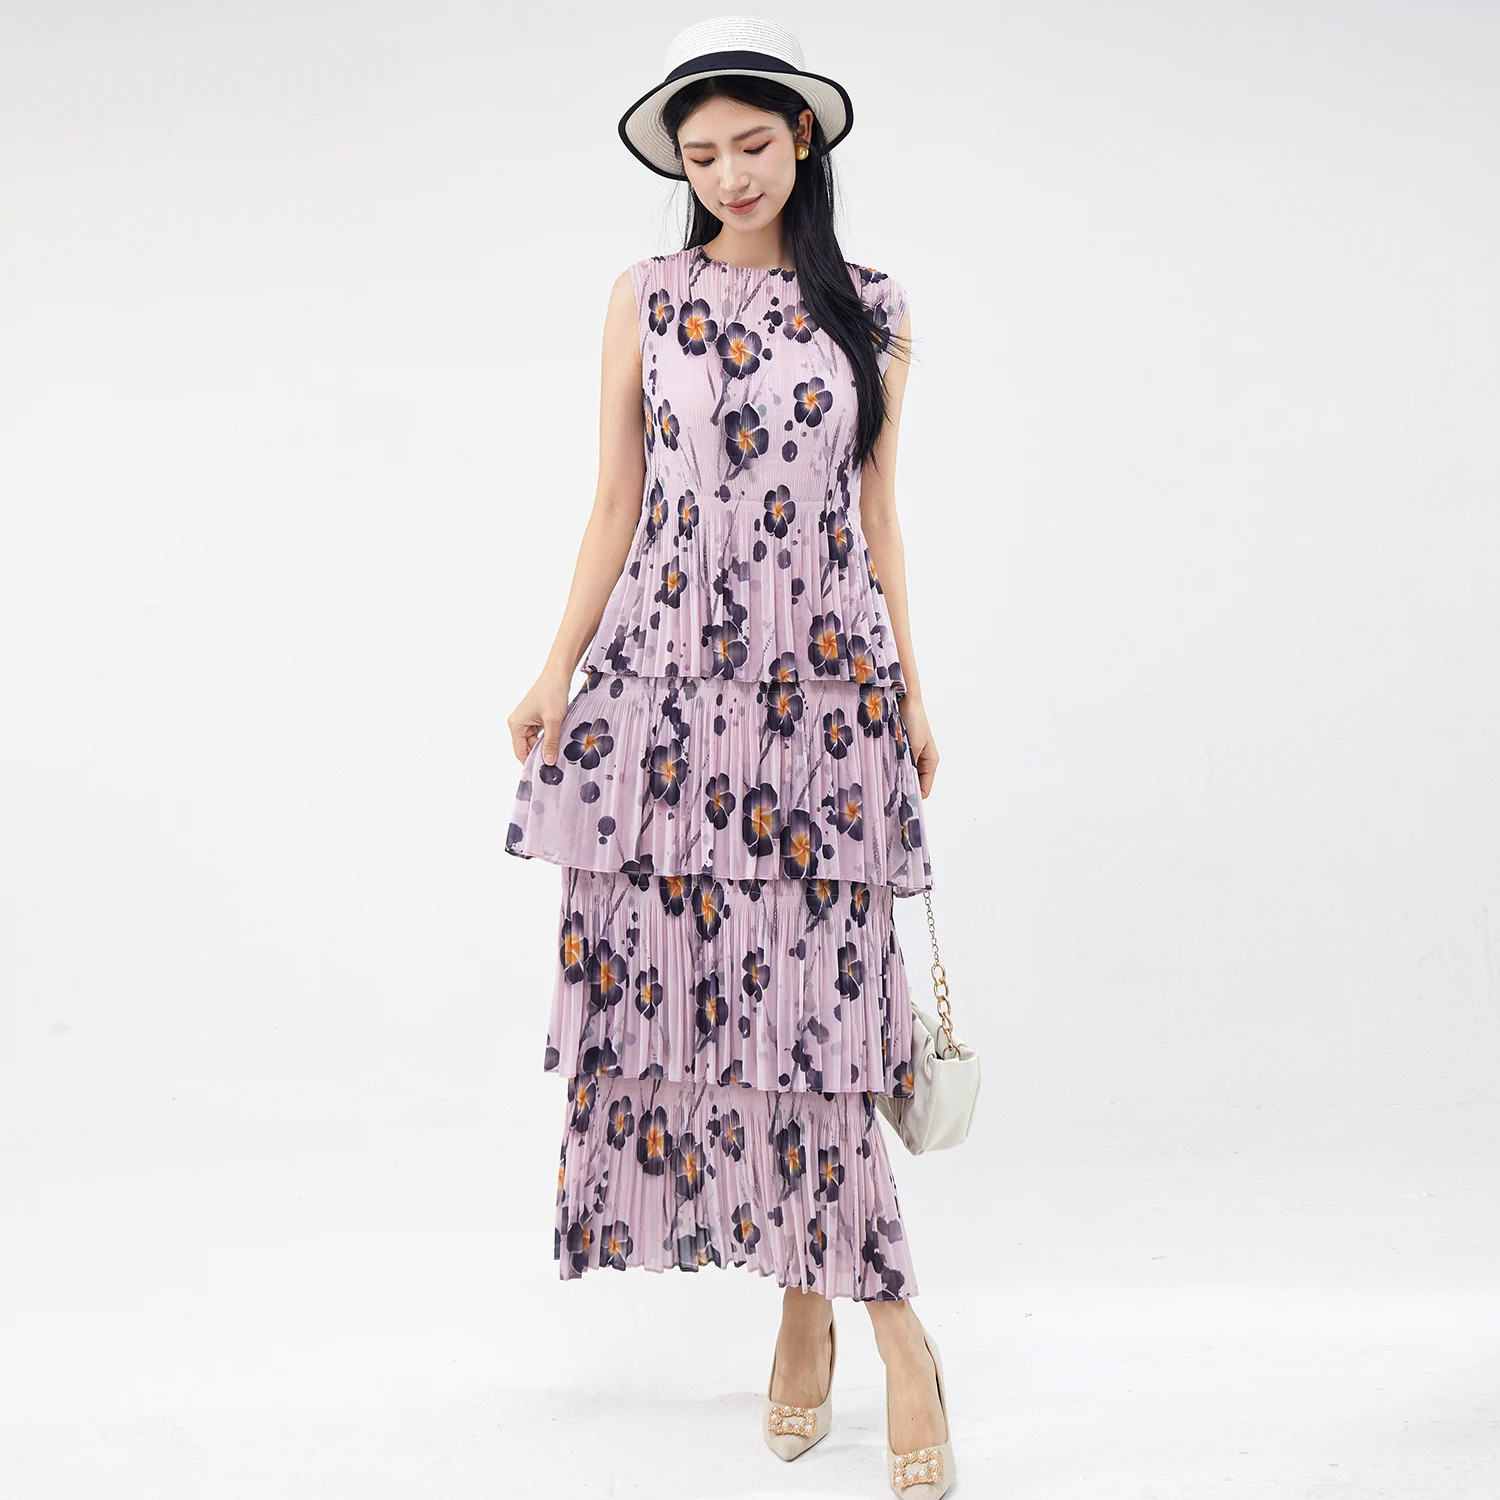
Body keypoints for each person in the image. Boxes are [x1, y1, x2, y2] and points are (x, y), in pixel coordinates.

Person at [504, 16, 955, 1496]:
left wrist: (913, 692)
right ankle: (805, 1314)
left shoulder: (874, 309)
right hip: (667, 700)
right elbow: (615, 499)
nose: (729, 175)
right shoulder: (647, 298)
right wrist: (556, 666)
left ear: (803, 139)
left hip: (821, 695)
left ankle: (888, 1329)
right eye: (700, 157)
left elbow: (877, 516)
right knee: (710, 1014)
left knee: (824, 1020)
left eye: (752, 144)